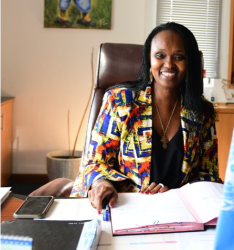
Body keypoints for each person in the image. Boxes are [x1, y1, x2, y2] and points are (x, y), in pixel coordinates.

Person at [32, 22, 221, 213]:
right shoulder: (121, 102)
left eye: (179, 57)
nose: (169, 64)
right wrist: (103, 184)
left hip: (177, 212)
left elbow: (208, 176)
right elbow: (94, 164)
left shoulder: (201, 113)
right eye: (160, 55)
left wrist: (175, 195)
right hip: (125, 208)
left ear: (190, 63)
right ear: (149, 59)